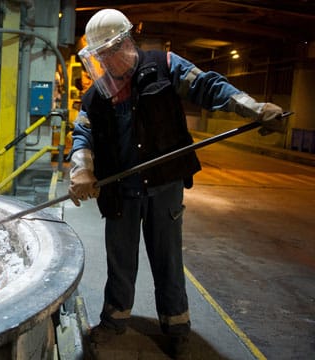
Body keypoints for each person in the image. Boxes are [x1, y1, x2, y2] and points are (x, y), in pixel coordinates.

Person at [68, 8, 285, 359]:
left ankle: (177, 327)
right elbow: (83, 135)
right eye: (99, 56)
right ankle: (113, 321)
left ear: (125, 43)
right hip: (121, 191)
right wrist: (81, 171)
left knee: (167, 259)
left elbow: (207, 85)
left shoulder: (165, 66)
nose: (105, 62)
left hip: (163, 184)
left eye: (109, 52)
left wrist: (252, 107)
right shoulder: (96, 95)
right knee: (120, 259)